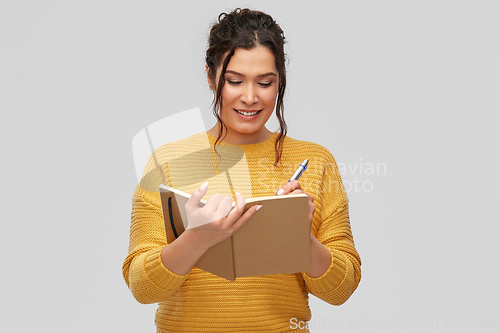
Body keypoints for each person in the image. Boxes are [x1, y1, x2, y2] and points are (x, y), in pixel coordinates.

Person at [123, 8, 361, 333]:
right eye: (234, 81)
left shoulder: (316, 161)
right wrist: (197, 239)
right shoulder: (168, 160)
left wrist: (298, 238)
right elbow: (142, 286)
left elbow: (341, 289)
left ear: (280, 82)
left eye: (265, 83)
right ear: (210, 77)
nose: (250, 98)